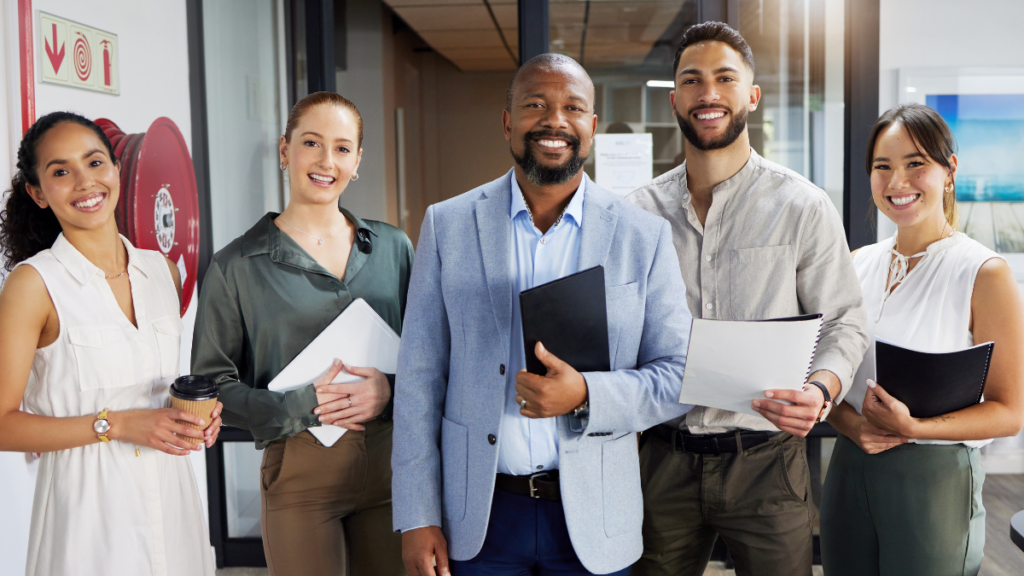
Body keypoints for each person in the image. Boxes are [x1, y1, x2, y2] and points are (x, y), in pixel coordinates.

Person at [392, 53, 693, 576]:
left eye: (573, 107)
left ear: (592, 128)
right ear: (508, 121)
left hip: (594, 519)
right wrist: (417, 515)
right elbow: (419, 380)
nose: (554, 121)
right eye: (536, 104)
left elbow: (678, 374)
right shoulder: (448, 226)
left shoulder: (642, 236)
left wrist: (586, 395)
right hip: (479, 517)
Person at [626, 22, 869, 576]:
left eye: (724, 78)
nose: (707, 93)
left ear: (751, 96)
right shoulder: (636, 214)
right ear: (675, 100)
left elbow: (845, 323)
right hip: (662, 457)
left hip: (767, 463)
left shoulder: (802, 206)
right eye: (692, 80)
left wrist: (822, 388)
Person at [191, 91, 413, 576]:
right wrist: (302, 404)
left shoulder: (394, 249)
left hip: (395, 471)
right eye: (311, 143)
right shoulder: (235, 267)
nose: (325, 160)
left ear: (357, 161)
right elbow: (213, 385)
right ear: (284, 150)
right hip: (300, 476)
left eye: (341, 147)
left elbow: (433, 358)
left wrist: (389, 390)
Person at [0, 111, 219, 576]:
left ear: (117, 170)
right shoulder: (33, 285)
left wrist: (198, 417)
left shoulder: (164, 271)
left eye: (95, 162)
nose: (84, 182)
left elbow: (161, 390)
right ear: (37, 193)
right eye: (61, 171)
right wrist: (114, 425)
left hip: (175, 508)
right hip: (87, 526)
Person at [820, 103, 1024, 576]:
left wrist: (915, 429)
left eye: (916, 164)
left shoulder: (983, 272)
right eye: (882, 167)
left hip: (934, 479)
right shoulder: (858, 264)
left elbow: (1010, 412)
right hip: (850, 466)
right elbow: (829, 369)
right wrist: (851, 426)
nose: (897, 183)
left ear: (949, 170)